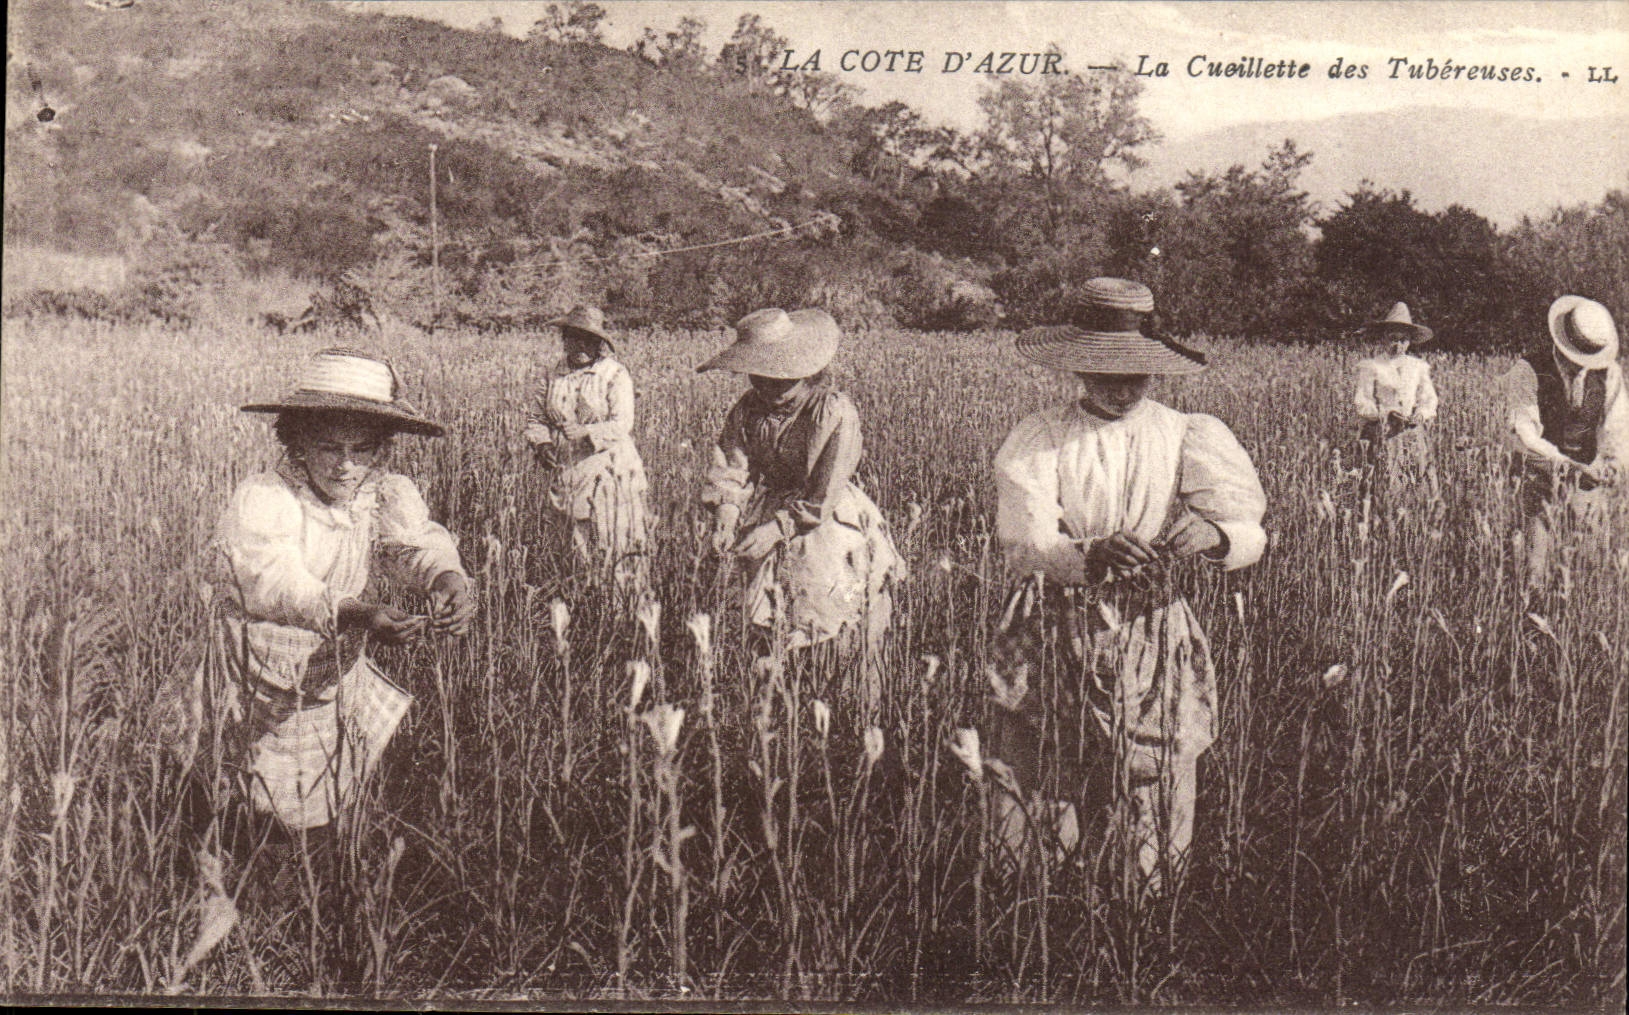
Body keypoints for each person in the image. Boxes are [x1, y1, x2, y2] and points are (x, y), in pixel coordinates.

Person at [984, 277, 1266, 895]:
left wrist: (1213, 536)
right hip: (1057, 617)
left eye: (1134, 375)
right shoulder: (1043, 435)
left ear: (1153, 374)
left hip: (1151, 620)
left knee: (1155, 764)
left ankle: (1141, 902)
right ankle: (1033, 904)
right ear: (1078, 370)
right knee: (1042, 760)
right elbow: (1025, 541)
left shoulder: (1184, 431)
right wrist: (1088, 553)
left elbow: (1248, 526)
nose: (1120, 387)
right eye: (1103, 373)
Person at [166, 348, 476, 842]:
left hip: (323, 677)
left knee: (313, 801)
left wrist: (446, 579)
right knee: (231, 796)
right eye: (331, 448)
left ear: (381, 450)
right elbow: (276, 580)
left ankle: (298, 894)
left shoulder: (382, 496)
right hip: (250, 677)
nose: (346, 466)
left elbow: (411, 547)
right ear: (298, 443)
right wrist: (358, 611)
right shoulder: (267, 498)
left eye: (363, 449)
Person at [698, 308, 905, 714]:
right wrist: (726, 512)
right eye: (759, 377)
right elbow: (733, 466)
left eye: (779, 378)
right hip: (769, 513)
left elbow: (823, 494)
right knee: (769, 620)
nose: (769, 387)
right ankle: (781, 717)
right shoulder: (747, 409)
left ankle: (848, 717)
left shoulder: (833, 411)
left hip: (825, 523)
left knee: (837, 617)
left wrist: (778, 529)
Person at [524, 305, 651, 592]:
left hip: (611, 473)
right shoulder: (551, 375)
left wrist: (586, 432)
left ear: (599, 344)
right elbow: (535, 417)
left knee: (614, 545)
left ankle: (621, 611)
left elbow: (622, 423)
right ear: (564, 339)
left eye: (587, 340)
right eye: (573, 338)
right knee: (575, 547)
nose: (579, 346)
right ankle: (583, 607)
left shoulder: (614, 375)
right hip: (569, 471)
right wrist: (541, 442)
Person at [1505, 295, 1628, 590]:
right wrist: (1565, 467)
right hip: (1539, 476)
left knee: (1586, 572)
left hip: (1588, 482)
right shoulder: (1527, 370)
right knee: (1534, 572)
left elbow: (1618, 428)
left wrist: (1611, 465)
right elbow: (1524, 435)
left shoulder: (1609, 374)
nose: (1580, 366)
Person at [1353, 301, 1439, 502]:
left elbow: (1429, 399)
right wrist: (1385, 414)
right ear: (1384, 338)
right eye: (1393, 339)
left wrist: (1421, 413)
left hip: (1410, 433)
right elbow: (1362, 401)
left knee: (1416, 480)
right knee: (1383, 484)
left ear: (1409, 342)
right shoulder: (1372, 366)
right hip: (1383, 432)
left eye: (1403, 340)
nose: (1397, 345)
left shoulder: (1418, 367)